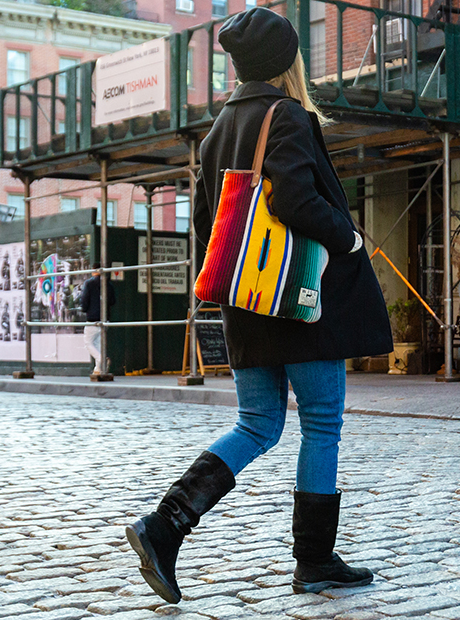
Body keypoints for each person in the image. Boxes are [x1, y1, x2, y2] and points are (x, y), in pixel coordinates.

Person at [125, 7, 392, 604]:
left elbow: (206, 225)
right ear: (286, 61)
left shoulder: (220, 128)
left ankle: (164, 527)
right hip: (298, 301)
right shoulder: (288, 116)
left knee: (258, 423)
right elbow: (297, 199)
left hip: (245, 301)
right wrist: (347, 235)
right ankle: (314, 562)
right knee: (321, 422)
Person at [80, 262, 116, 374]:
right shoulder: (108, 284)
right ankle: (98, 368)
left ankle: (102, 360)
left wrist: (84, 309)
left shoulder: (89, 283)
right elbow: (113, 301)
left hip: (92, 318)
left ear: (93, 270)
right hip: (105, 318)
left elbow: (84, 301)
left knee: (88, 342)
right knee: (98, 343)